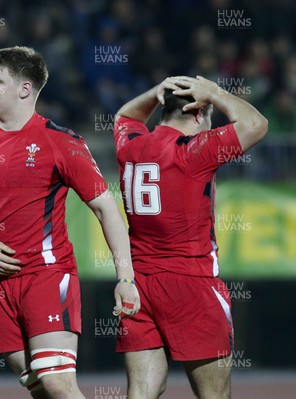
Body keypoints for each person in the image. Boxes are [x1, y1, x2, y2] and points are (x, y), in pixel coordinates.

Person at [0, 46, 140, 399]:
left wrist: (125, 278)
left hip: (49, 276)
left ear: (24, 90)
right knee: (38, 385)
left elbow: (106, 209)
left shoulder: (59, 141)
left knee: (57, 383)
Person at [113, 75, 268, 399]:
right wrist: (214, 93)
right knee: (214, 396)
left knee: (140, 393)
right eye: (208, 116)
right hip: (191, 285)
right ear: (198, 113)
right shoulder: (193, 150)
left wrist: (156, 93)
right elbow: (256, 124)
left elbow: (125, 116)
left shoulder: (131, 146)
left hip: (139, 285)